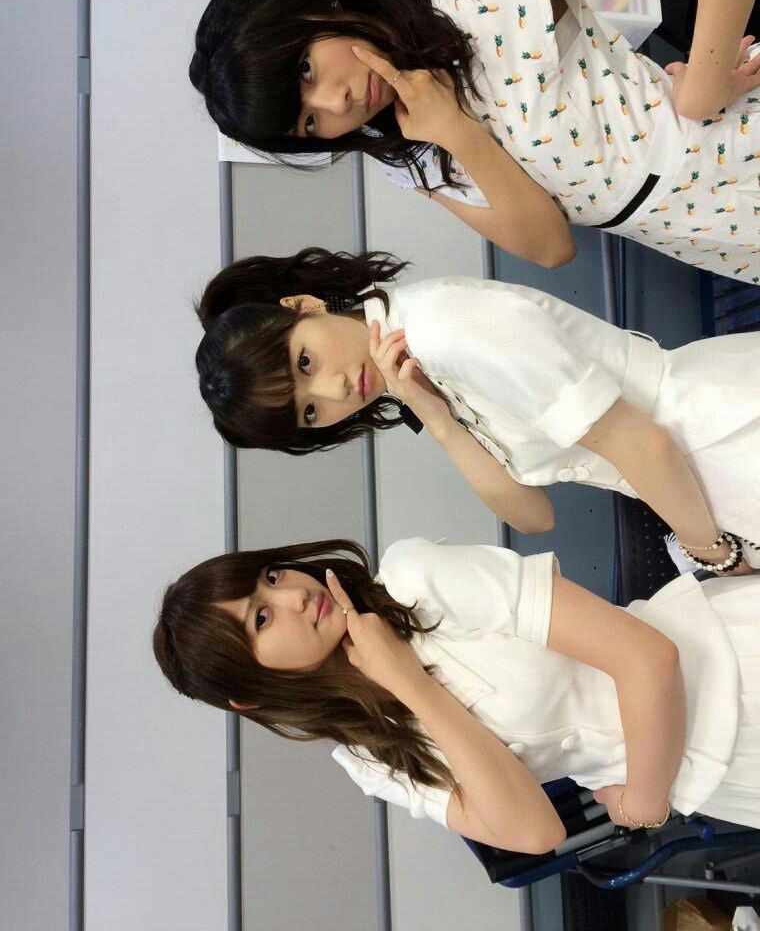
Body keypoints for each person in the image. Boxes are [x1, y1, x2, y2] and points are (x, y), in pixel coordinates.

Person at [189, 0, 760, 282]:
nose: (335, 105)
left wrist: (704, 85)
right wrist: (456, 132)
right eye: (309, 124)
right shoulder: (410, 155)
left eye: (307, 72)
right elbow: (550, 247)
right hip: (711, 237)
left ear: (315, 11)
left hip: (733, 148)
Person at [153, 535, 760, 848]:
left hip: (729, 660)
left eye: (271, 576)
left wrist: (642, 805)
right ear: (249, 692)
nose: (293, 595)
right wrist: (412, 687)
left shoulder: (415, 579)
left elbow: (648, 659)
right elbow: (535, 833)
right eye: (261, 618)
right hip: (719, 779)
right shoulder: (371, 758)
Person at [195, 248, 760, 570]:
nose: (335, 390)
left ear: (303, 306)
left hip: (722, 433)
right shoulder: (414, 376)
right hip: (698, 483)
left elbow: (642, 443)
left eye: (305, 363)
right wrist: (440, 423)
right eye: (310, 412)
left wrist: (714, 555)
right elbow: (534, 517)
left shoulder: (444, 325)